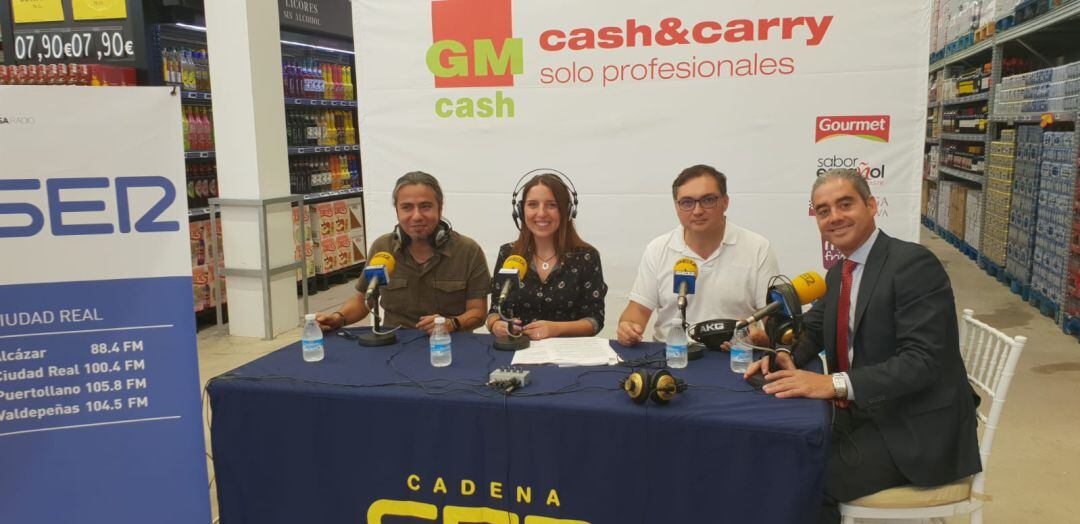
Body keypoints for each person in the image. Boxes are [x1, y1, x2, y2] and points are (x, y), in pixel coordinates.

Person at [745, 168, 981, 523]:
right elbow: (813, 327)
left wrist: (831, 383)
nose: (834, 217)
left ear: (871, 205)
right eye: (823, 210)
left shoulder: (913, 265)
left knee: (804, 477)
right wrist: (782, 355)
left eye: (845, 204)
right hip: (863, 414)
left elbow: (922, 362)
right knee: (780, 450)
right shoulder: (841, 272)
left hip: (914, 431)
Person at [616, 164, 779, 346]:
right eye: (687, 202)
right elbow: (636, 311)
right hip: (672, 356)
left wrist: (761, 339)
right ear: (677, 207)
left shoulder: (757, 248)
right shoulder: (658, 248)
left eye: (708, 200)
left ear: (725, 202)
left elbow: (775, 325)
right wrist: (627, 328)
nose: (697, 211)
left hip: (734, 357)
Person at [315, 171, 490, 334]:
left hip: (449, 345)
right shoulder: (382, 248)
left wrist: (452, 323)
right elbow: (363, 301)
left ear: (440, 208)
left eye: (425, 206)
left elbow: (478, 313)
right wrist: (337, 318)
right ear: (397, 211)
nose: (416, 216)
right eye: (407, 207)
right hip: (394, 344)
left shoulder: (468, 251)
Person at [486, 173, 607, 340]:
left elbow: (595, 320)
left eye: (551, 205)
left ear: (567, 210)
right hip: (518, 351)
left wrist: (556, 329)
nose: (541, 213)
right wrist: (496, 325)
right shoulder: (508, 253)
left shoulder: (586, 257)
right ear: (521, 211)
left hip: (568, 356)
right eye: (533, 205)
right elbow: (494, 311)